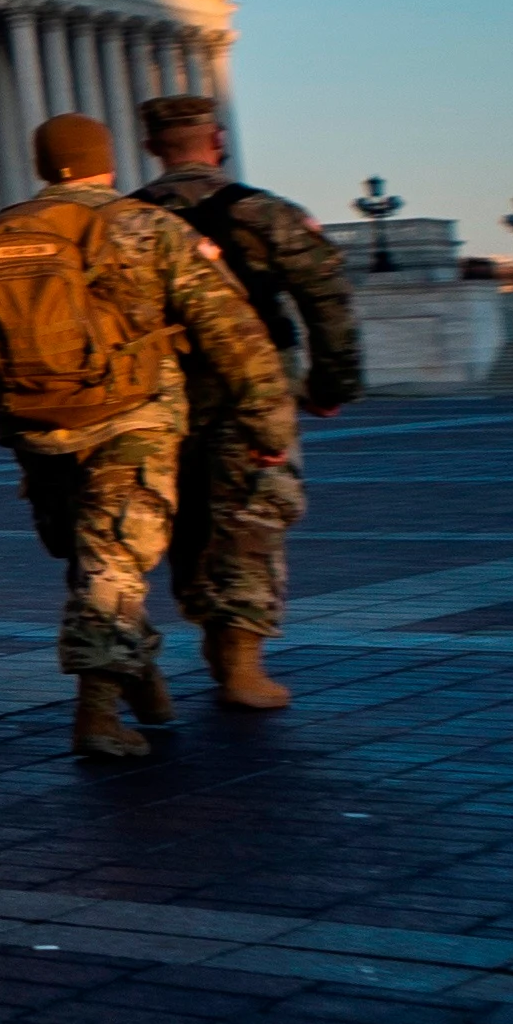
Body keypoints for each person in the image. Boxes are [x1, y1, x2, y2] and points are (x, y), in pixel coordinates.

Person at [0, 112, 294, 762]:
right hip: (133, 417)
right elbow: (231, 328)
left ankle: (145, 684)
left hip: (38, 425)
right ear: (106, 161)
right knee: (113, 566)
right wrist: (267, 421)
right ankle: (99, 714)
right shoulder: (148, 227)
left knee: (94, 559)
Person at [129, 93, 364, 710]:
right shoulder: (266, 215)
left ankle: (212, 637)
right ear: (218, 140)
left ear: (153, 147)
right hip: (249, 392)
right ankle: (239, 662)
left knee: (183, 523)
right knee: (251, 519)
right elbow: (328, 303)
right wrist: (329, 385)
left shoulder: (121, 222)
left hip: (155, 396)